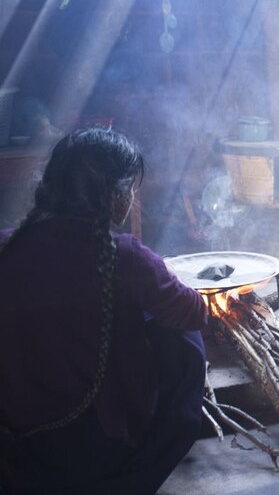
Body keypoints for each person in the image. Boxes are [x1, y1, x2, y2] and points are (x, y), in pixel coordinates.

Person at [0, 128, 208, 494]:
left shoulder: (6, 245)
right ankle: (138, 471)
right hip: (101, 449)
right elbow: (193, 312)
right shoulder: (124, 255)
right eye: (131, 190)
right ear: (116, 197)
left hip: (20, 444)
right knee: (184, 338)